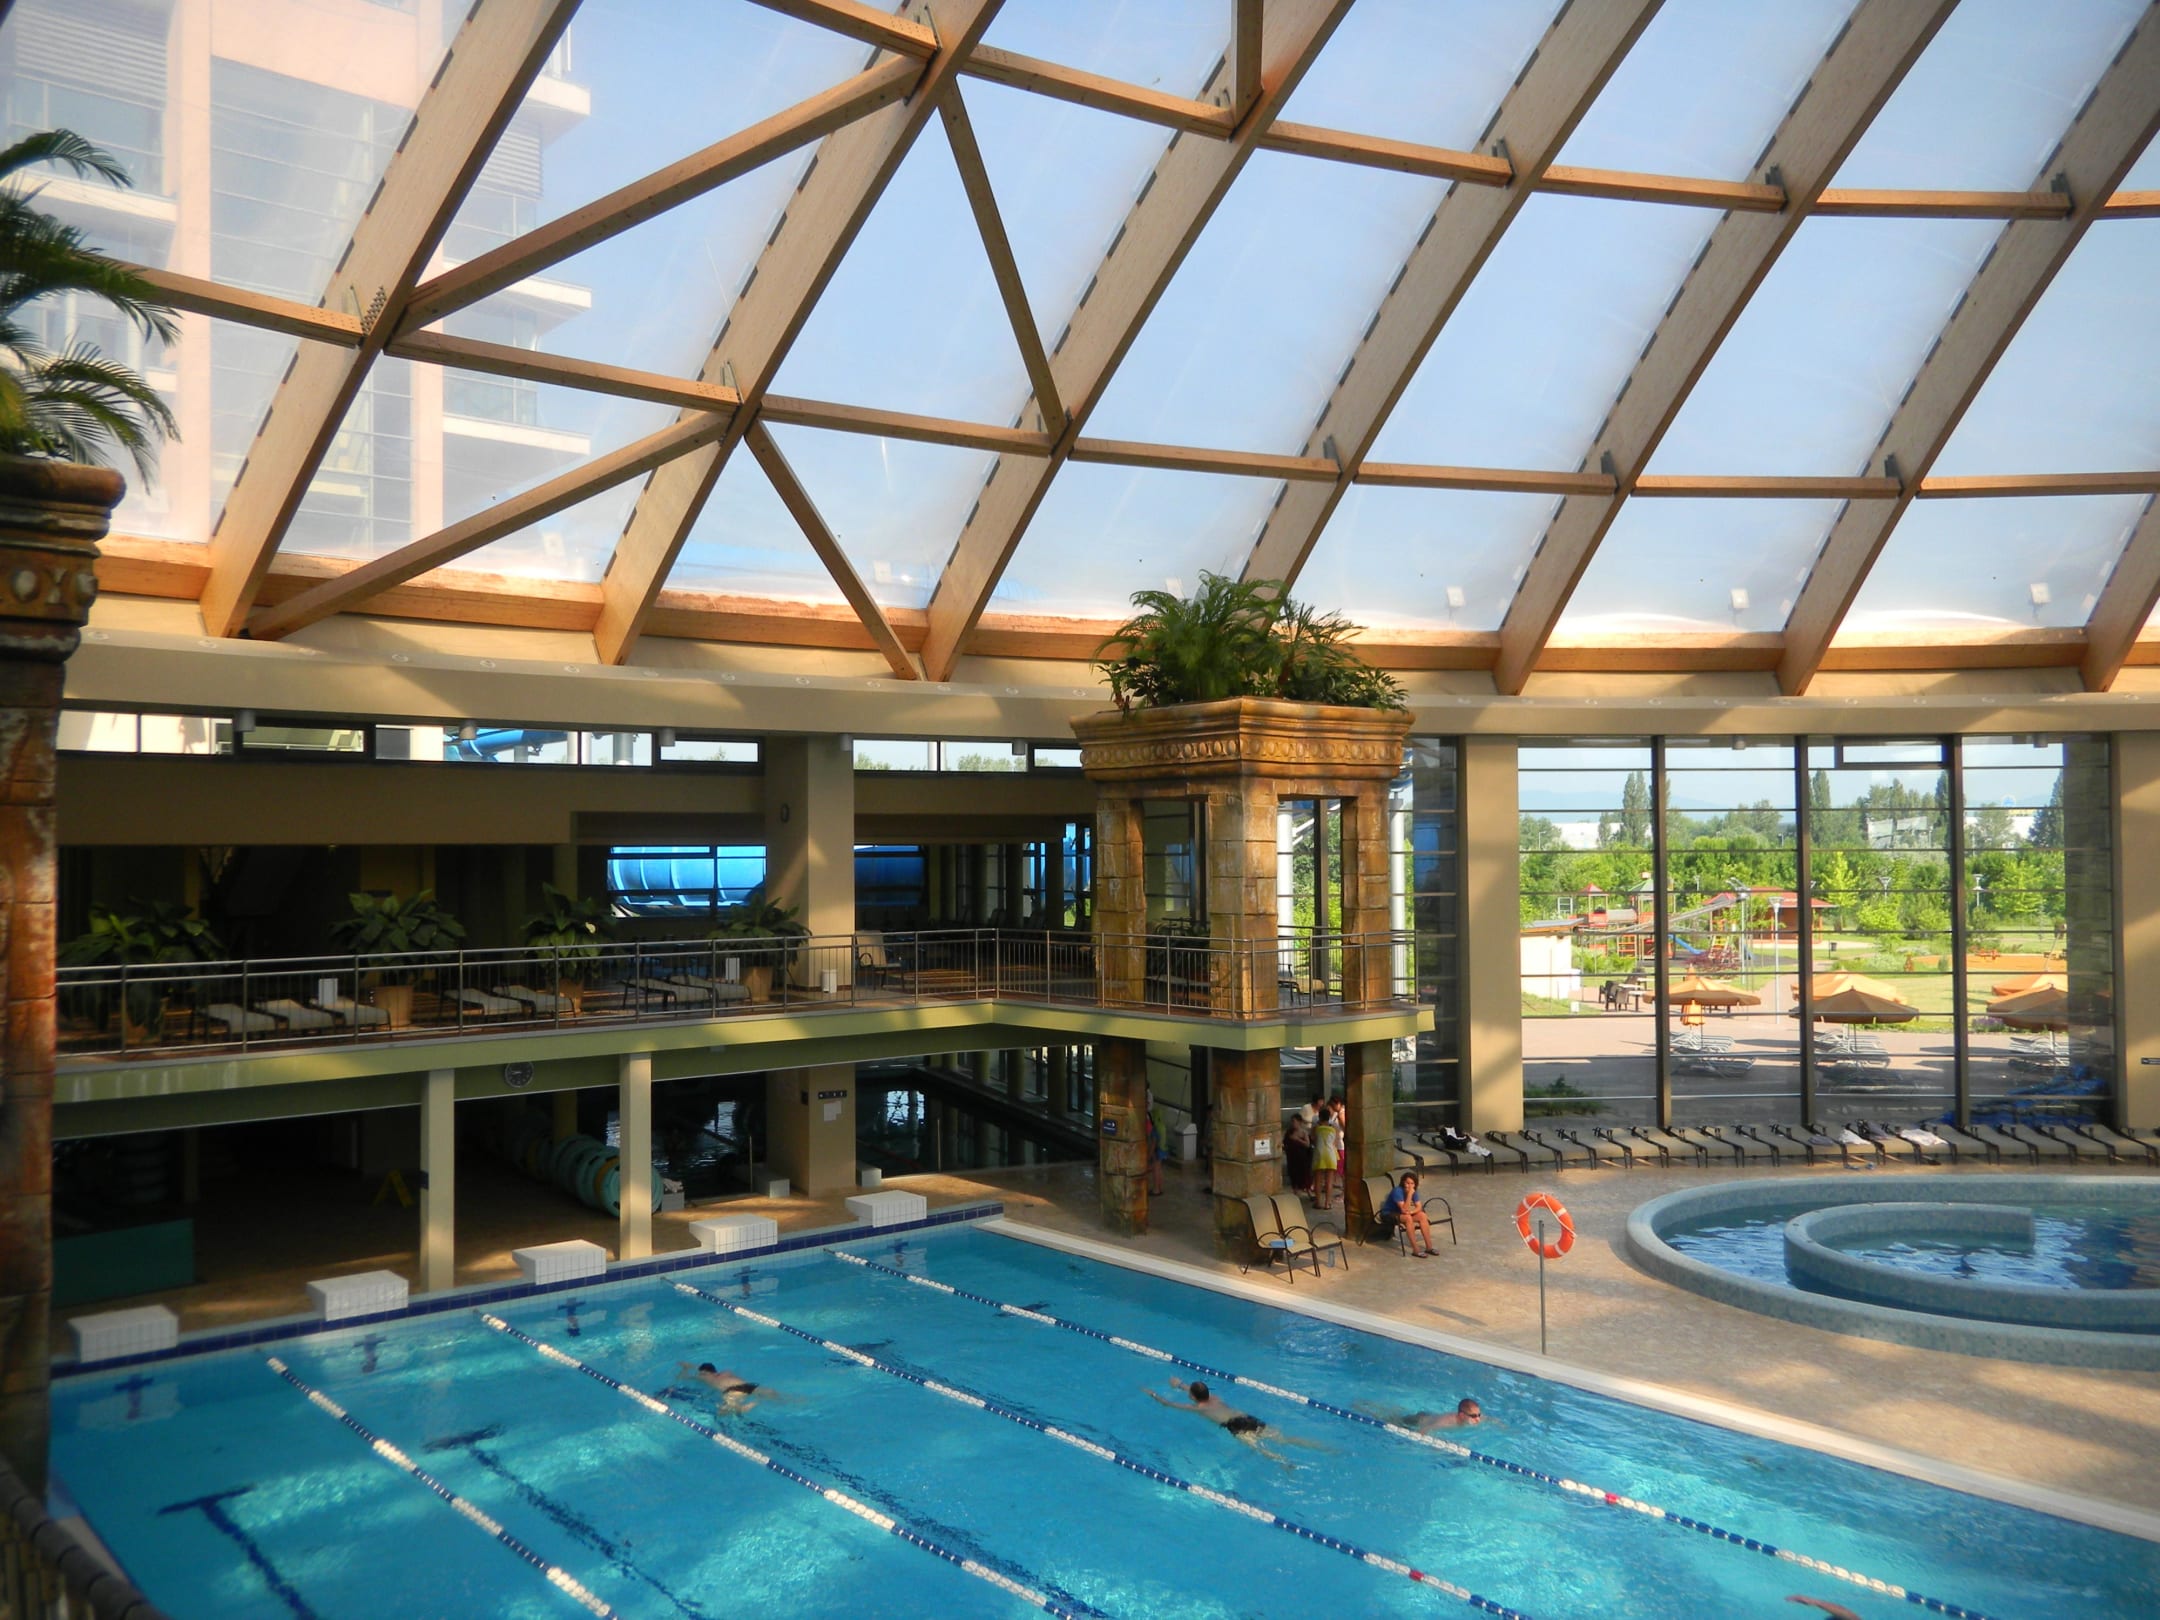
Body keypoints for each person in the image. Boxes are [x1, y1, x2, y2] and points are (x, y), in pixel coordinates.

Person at [1147, 1377, 1316, 1470]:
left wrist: (1152, 1394)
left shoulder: (1198, 1408)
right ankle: (1317, 1446)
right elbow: (1198, 1393)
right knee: (1284, 1439)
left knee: (1259, 1448)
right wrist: (1181, 1384)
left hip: (1236, 1427)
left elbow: (1167, 1404)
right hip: (1247, 1418)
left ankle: (1285, 1462)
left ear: (1192, 1397)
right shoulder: (1214, 1398)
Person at [1378, 1172, 1440, 1257]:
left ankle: (1429, 1247)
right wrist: (1410, 1194)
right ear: (1403, 1182)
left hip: (1402, 1213)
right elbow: (1404, 1209)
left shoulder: (1414, 1191)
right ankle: (1415, 1250)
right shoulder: (1397, 1191)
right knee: (1408, 1218)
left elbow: (1419, 1207)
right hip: (1388, 1214)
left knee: (1422, 1215)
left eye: (1412, 1183)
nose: (1410, 1186)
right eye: (1407, 1183)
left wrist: (1411, 1212)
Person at [677, 1361, 766, 1412]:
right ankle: (759, 1399)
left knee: (721, 1412)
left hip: (732, 1391)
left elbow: (680, 1378)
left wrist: (686, 1368)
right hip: (748, 1385)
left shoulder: (704, 1376)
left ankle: (750, 1405)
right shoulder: (727, 1372)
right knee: (767, 1393)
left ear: (704, 1372)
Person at [1311, 1099, 1341, 1209]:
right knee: (1329, 1180)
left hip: (1319, 1154)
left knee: (1318, 1180)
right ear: (1329, 1117)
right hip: (1331, 1154)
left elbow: (1313, 1139)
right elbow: (1336, 1142)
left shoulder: (1316, 1128)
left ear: (1319, 1117)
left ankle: (1318, 1202)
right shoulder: (1334, 1128)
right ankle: (1328, 1203)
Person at [1285, 1104, 1315, 1193]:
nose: (1293, 1123)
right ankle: (1295, 1191)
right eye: (1292, 1122)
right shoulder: (1289, 1132)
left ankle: (1307, 1190)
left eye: (1294, 1121)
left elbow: (1307, 1144)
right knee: (1294, 1176)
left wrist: (1297, 1140)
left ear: (1299, 1122)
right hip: (1292, 1158)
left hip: (1302, 1158)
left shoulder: (1304, 1132)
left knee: (1303, 1175)